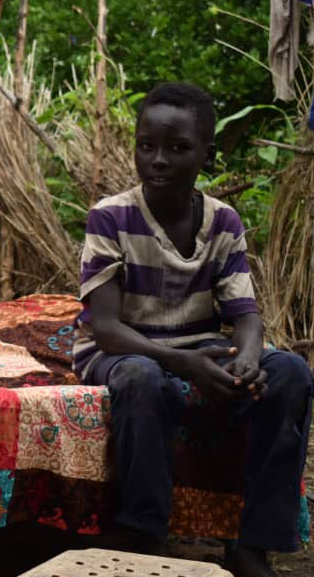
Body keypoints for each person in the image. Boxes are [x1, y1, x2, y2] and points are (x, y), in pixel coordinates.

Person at [72, 83, 312, 577]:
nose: (158, 160)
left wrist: (246, 358)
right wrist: (187, 365)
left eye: (178, 148)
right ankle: (144, 533)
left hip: (197, 347)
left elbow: (245, 314)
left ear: (207, 151)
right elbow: (108, 330)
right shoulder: (111, 216)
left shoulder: (223, 221)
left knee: (288, 372)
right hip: (121, 351)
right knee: (142, 379)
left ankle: (254, 544)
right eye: (147, 146)